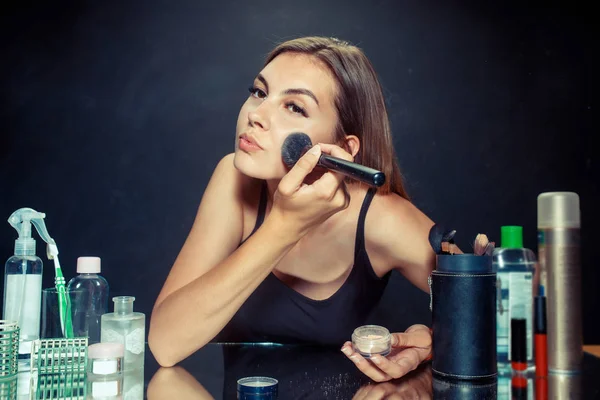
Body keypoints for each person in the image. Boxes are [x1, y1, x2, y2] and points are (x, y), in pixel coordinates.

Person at [148, 36, 435, 382]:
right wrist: (284, 226)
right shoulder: (234, 179)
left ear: (343, 148)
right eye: (259, 92)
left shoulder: (380, 217)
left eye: (295, 107)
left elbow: (501, 307)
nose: (256, 115)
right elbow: (166, 343)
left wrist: (431, 341)